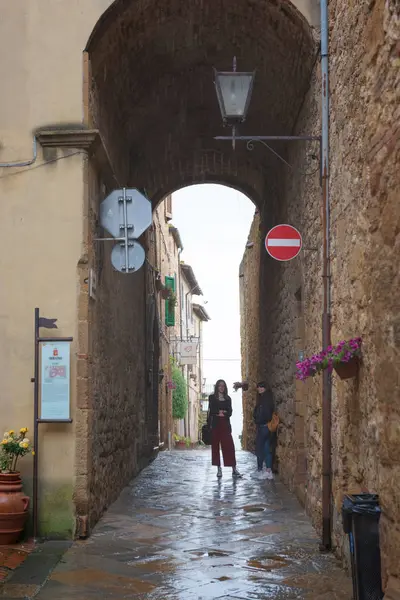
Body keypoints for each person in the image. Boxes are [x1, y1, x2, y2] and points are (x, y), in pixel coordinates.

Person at [208, 380, 242, 479]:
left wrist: (222, 413)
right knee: (215, 447)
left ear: (225, 387)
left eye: (223, 386)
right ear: (217, 387)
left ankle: (234, 469)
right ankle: (219, 468)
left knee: (229, 446)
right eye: (219, 386)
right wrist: (221, 412)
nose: (221, 387)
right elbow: (212, 410)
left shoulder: (228, 399)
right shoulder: (212, 398)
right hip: (215, 425)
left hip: (225, 425)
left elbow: (230, 412)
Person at [253, 381, 275, 480]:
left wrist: (258, 420)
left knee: (260, 449)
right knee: (266, 448)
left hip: (263, 426)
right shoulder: (266, 398)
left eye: (262, 387)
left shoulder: (264, 400)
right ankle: (268, 471)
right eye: (259, 387)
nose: (260, 388)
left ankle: (261, 470)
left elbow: (265, 414)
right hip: (265, 427)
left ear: (266, 388)